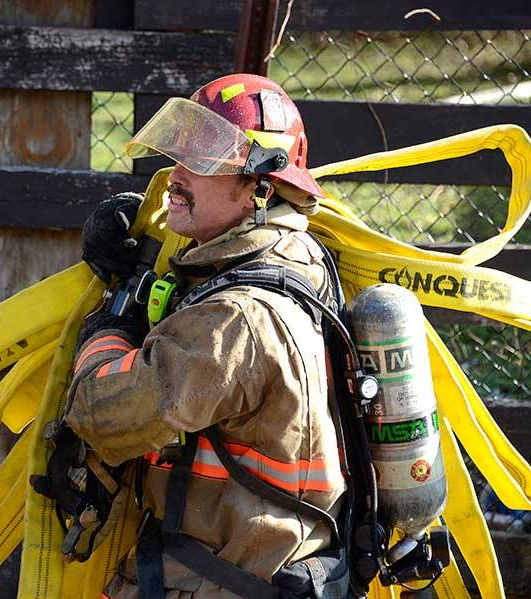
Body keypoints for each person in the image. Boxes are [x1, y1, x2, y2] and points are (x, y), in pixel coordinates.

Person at [64, 74, 350, 599]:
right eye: (181, 154)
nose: (176, 174)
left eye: (204, 161)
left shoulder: (238, 318)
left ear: (262, 186)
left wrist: (107, 329)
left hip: (217, 583)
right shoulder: (301, 269)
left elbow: (101, 413)